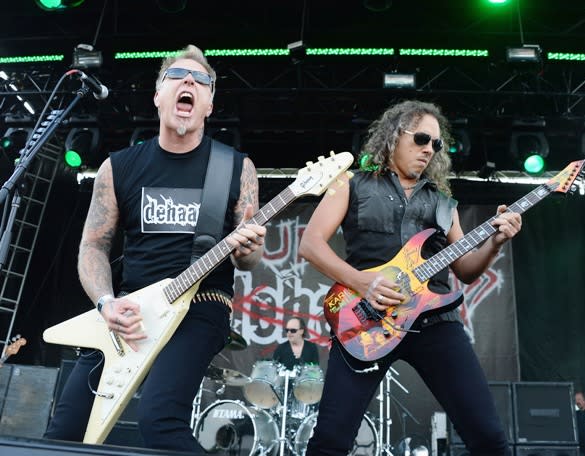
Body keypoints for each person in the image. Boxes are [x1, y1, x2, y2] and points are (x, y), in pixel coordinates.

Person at [44, 44, 266, 453]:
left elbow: (247, 260)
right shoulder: (119, 167)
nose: (189, 83)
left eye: (202, 81)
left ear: (209, 105)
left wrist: (250, 247)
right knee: (65, 429)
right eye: (177, 77)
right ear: (158, 95)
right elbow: (93, 245)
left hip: (202, 304)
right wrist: (106, 303)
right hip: (128, 311)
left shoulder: (236, 167)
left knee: (160, 421)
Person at [298, 100, 522, 456]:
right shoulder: (350, 184)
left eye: (436, 144)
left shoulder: (444, 202)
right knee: (330, 441)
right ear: (393, 135)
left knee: (489, 438)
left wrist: (495, 241)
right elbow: (310, 244)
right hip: (366, 321)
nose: (428, 149)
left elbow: (464, 270)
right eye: (421, 138)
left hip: (435, 322)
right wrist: (362, 283)